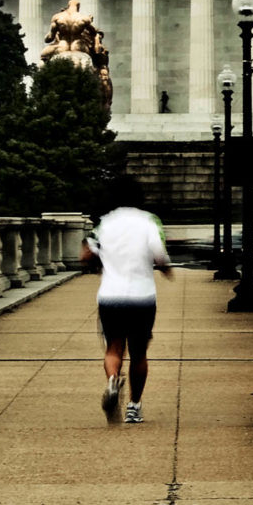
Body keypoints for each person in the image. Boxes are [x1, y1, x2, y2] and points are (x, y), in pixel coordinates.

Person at [83, 178, 171, 424]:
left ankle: (113, 380)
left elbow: (87, 252)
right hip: (142, 297)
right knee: (139, 353)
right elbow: (160, 255)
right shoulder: (148, 221)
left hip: (110, 296)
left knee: (114, 348)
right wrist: (165, 269)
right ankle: (134, 406)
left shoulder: (104, 223)